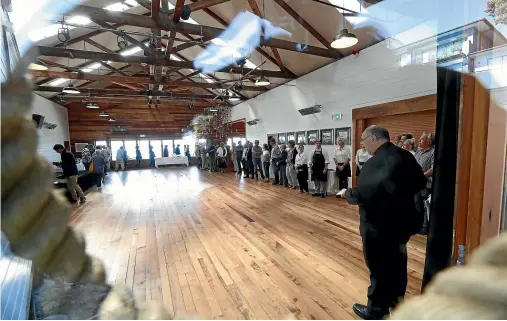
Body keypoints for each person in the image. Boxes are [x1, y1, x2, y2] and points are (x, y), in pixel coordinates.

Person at [341, 125, 426, 320]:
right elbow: (420, 183)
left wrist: (348, 193)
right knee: (398, 266)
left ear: (373, 138)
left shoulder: (375, 163)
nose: (362, 144)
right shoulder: (406, 156)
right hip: (402, 226)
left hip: (378, 227)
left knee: (379, 269)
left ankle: (376, 310)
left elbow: (365, 194)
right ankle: (398, 305)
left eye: (363, 140)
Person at [414, 132, 435, 235]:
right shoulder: (418, 151)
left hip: (426, 184)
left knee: (425, 205)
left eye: (422, 139)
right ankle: (417, 225)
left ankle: (425, 227)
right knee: (417, 204)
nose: (419, 140)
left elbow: (433, 168)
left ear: (429, 142)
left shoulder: (433, 152)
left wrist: (422, 176)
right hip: (415, 183)